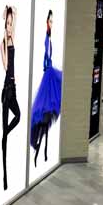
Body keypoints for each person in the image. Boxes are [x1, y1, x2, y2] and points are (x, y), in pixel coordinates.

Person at [30, 10, 62, 167]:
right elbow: (46, 52)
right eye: (50, 21)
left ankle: (39, 148)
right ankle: (37, 146)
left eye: (52, 21)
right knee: (43, 113)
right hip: (48, 78)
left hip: (49, 78)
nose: (51, 23)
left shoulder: (49, 39)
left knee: (45, 114)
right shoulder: (47, 39)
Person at [0, 6, 20, 190]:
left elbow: (16, 15)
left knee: (18, 116)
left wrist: (14, 13)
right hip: (6, 89)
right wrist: (6, 42)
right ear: (4, 25)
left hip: (13, 88)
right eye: (7, 23)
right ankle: (5, 178)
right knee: (4, 140)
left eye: (11, 24)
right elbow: (6, 66)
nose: (10, 27)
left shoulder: (13, 37)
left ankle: (5, 132)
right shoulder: (3, 43)